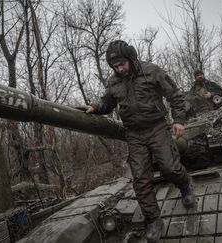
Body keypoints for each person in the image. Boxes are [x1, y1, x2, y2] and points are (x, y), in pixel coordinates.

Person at [76, 40, 195, 242]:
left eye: (122, 63)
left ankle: (185, 186)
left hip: (157, 127)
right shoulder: (114, 82)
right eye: (115, 66)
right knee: (140, 180)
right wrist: (95, 107)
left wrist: (179, 120)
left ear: (131, 58)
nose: (119, 68)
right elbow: (108, 102)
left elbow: (174, 95)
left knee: (169, 168)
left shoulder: (151, 71)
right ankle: (154, 219)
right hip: (134, 134)